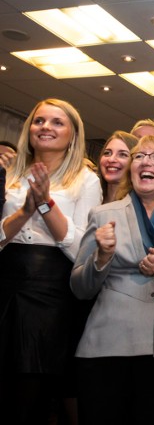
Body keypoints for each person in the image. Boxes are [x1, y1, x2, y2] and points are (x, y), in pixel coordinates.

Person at [70, 135, 154, 425]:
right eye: (138, 156)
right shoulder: (102, 214)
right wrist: (101, 257)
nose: (145, 161)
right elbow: (79, 288)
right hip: (107, 344)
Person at [0, 98, 102, 424]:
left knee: (33, 391)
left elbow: (81, 250)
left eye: (57, 122)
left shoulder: (86, 181)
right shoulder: (10, 174)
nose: (46, 127)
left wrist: (45, 204)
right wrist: (25, 210)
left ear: (73, 135)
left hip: (51, 290)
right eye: (39, 120)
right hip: (6, 280)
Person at [98, 131, 139, 204]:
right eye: (107, 153)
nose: (111, 159)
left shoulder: (136, 207)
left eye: (122, 155)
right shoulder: (90, 197)